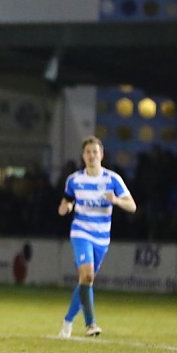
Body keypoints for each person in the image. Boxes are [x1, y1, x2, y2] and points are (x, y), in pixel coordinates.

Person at [57, 136, 136, 338]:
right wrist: (66, 207)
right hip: (81, 232)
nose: (92, 155)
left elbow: (132, 206)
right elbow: (64, 206)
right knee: (88, 276)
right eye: (88, 152)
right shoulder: (74, 180)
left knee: (85, 281)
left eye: (95, 151)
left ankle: (67, 322)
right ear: (83, 156)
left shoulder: (112, 179)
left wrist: (117, 200)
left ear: (101, 154)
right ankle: (90, 324)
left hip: (102, 238)